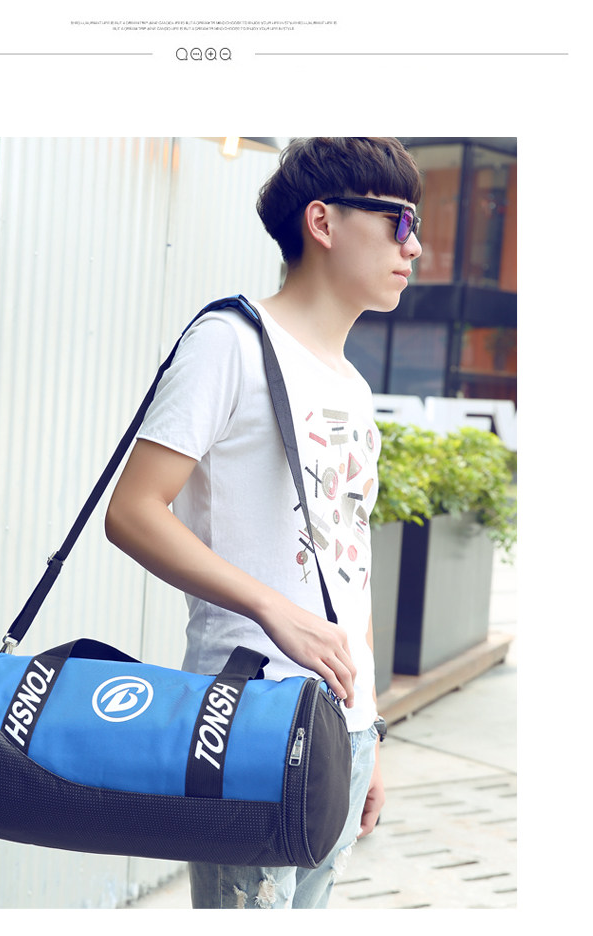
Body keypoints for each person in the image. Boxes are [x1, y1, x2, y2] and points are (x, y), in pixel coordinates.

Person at [105, 137, 423, 909]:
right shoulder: (230, 343)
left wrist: (370, 730)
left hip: (342, 731)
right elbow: (133, 511)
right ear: (323, 221)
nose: (414, 247)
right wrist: (272, 609)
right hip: (247, 719)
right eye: (398, 222)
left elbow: (349, 565)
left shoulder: (353, 387)